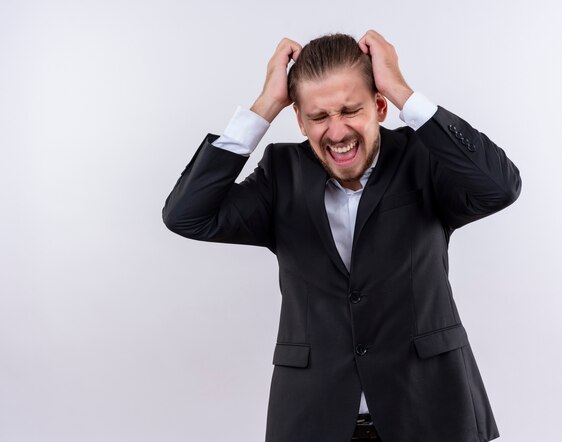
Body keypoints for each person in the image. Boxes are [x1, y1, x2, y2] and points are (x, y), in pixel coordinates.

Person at [162, 30, 521, 442]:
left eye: (351, 110)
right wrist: (265, 107)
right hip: (313, 418)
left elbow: (500, 187)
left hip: (431, 410)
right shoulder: (282, 173)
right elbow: (186, 216)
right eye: (319, 116)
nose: (337, 133)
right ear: (299, 118)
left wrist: (404, 91)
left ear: (380, 106)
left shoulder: (423, 159)